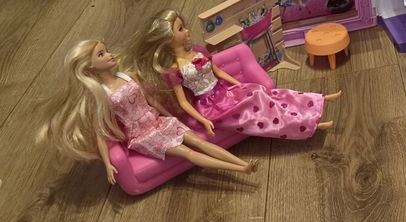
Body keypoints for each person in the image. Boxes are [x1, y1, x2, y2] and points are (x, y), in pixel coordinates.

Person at [37, 40, 257, 185]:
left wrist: (169, 115)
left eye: (106, 50)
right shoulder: (101, 94)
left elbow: (150, 100)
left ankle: (243, 164)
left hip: (158, 121)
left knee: (199, 142)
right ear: (89, 66)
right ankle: (238, 170)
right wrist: (107, 163)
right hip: (143, 135)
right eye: (101, 54)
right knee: (188, 153)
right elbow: (99, 132)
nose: (109, 55)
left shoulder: (127, 75)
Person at [127, 10, 340, 141]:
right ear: (168, 37)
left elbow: (218, 72)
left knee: (260, 92)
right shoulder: (174, 70)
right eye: (181, 28)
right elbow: (183, 102)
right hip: (211, 107)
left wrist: (238, 84)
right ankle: (307, 124)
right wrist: (203, 120)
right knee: (258, 109)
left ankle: (315, 101)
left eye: (184, 26)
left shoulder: (199, 51)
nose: (187, 31)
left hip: (225, 92)